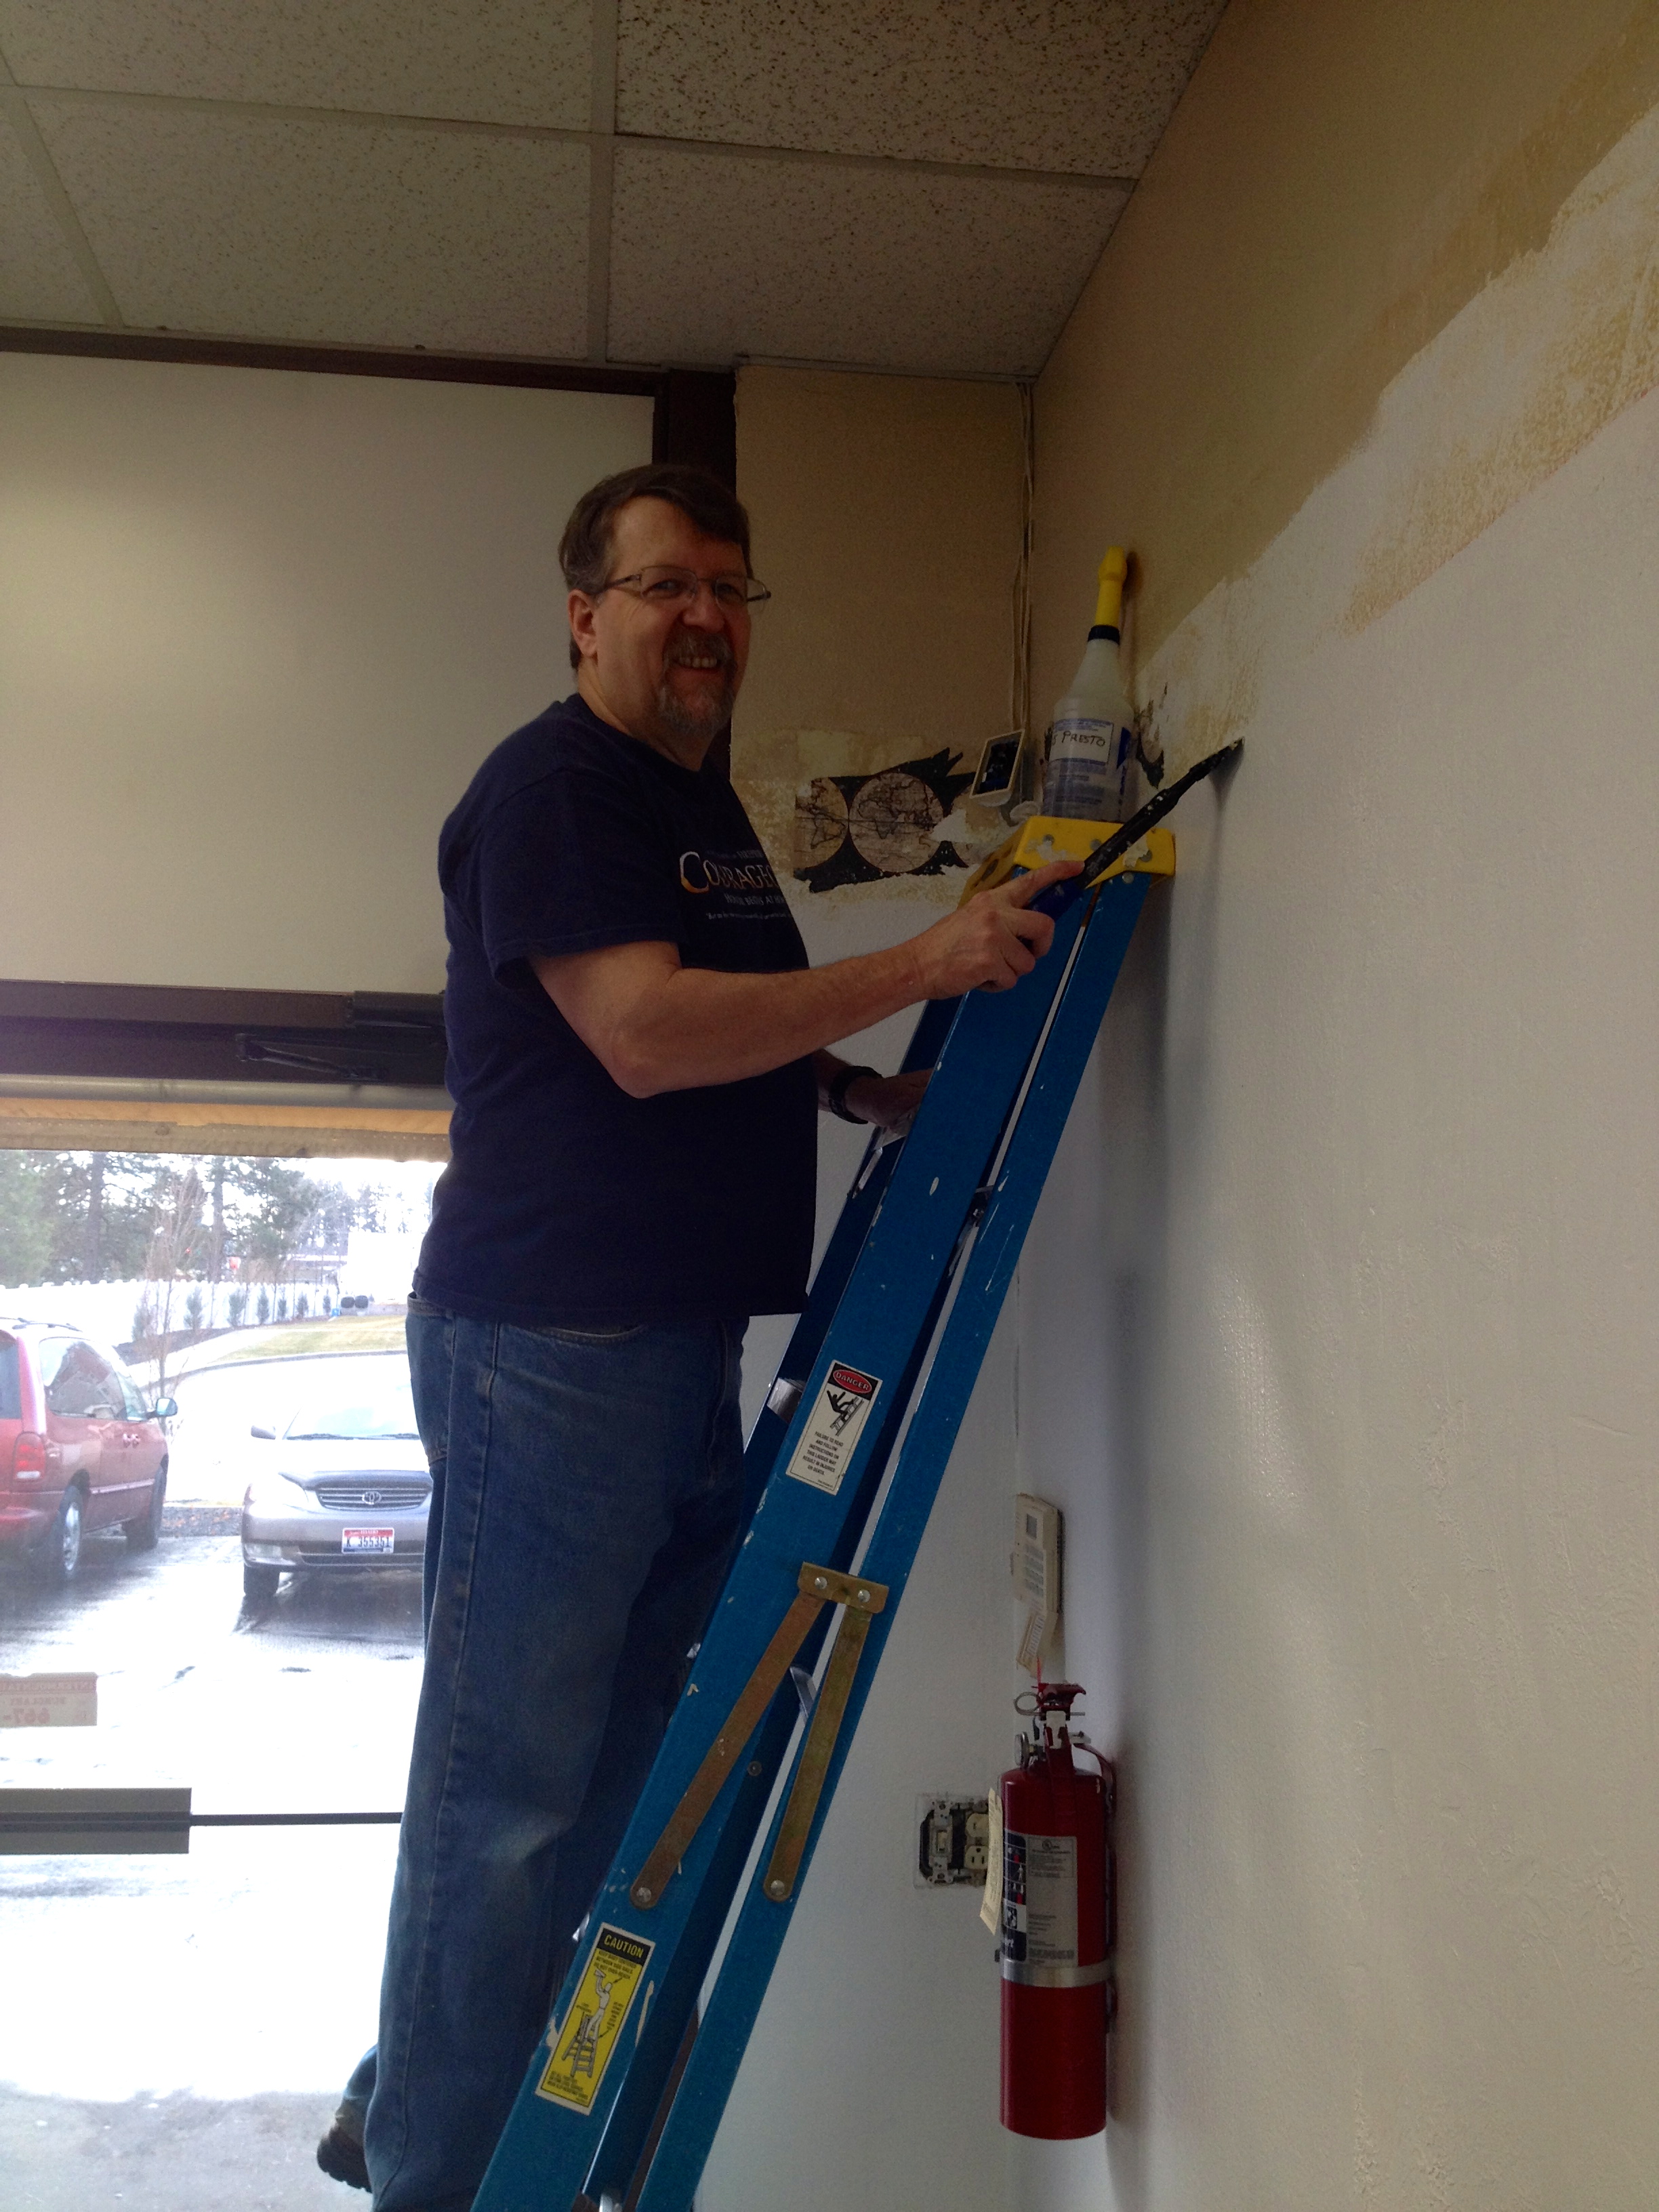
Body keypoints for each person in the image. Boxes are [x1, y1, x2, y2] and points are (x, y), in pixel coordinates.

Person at [318, 462, 1076, 2209]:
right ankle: (435, 2174)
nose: (708, 619)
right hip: (550, 1347)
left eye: (732, 591)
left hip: (657, 1346)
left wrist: (846, 1083)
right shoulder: (558, 788)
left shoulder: (693, 806)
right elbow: (645, 1034)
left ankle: (419, 2101)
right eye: (668, 588)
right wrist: (924, 964)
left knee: (591, 1774)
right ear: (586, 612)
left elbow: (714, 1006)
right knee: (506, 1795)